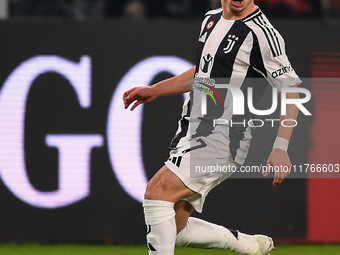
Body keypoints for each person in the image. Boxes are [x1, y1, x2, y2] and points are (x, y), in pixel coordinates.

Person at [123, 0, 301, 254]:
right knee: (173, 227)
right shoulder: (211, 19)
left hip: (224, 137)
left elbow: (291, 90)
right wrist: (156, 90)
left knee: (157, 192)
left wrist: (281, 146)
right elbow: (204, 71)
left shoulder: (262, 33)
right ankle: (246, 244)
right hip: (191, 130)